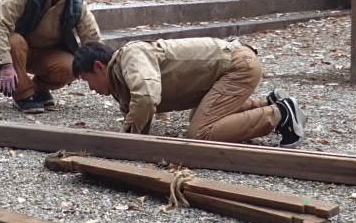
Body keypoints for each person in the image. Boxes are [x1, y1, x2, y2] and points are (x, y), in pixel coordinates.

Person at [71, 38, 303, 147]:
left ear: (99, 67)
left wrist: (126, 142)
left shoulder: (131, 55)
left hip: (237, 67)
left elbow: (146, 98)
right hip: (228, 69)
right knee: (199, 120)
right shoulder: (120, 79)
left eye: (87, 81)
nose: (91, 89)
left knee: (200, 134)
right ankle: (265, 104)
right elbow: (138, 109)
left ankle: (280, 113)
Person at [0, 0, 102, 113]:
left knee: (73, 65)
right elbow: (0, 24)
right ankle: (22, 94)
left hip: (48, 54)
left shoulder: (78, 5)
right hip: (17, 50)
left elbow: (93, 40)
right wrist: (5, 65)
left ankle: (38, 89)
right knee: (14, 41)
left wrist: (104, 72)